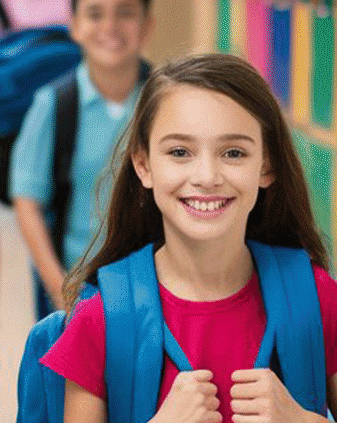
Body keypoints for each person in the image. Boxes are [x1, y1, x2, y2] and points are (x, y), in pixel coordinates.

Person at [41, 54, 337, 422]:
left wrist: (305, 421)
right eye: (180, 152)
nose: (207, 176)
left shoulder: (316, 298)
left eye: (234, 153)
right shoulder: (100, 319)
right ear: (144, 165)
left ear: (266, 165)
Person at [9, 0, 153, 318]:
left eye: (126, 13)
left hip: (155, 291)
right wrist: (61, 291)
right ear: (74, 26)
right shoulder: (54, 104)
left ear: (147, 26)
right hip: (79, 290)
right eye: (95, 14)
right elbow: (28, 202)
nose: (110, 26)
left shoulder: (165, 102)